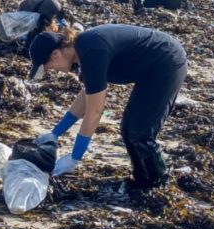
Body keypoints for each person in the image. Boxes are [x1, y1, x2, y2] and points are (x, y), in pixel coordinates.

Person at [29, 24, 188, 190]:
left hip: (167, 63)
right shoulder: (81, 52)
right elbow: (85, 98)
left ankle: (159, 184)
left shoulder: (92, 51)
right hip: (150, 69)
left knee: (140, 132)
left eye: (49, 68)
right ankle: (143, 182)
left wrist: (75, 157)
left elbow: (95, 111)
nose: (55, 71)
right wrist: (55, 134)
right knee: (128, 130)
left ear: (55, 55)